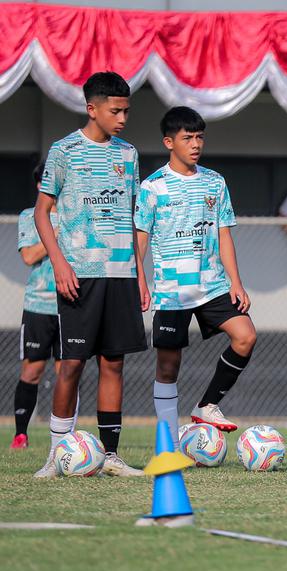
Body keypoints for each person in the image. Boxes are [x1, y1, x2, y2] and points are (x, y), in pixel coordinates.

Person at [32, 71, 146, 478]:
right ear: (91, 108)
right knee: (72, 365)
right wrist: (60, 263)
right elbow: (41, 213)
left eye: (126, 111)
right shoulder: (64, 151)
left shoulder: (128, 154)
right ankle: (56, 453)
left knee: (113, 363)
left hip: (121, 276)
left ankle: (111, 455)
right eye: (115, 110)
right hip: (79, 275)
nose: (122, 118)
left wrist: (141, 277)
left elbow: (134, 218)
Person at [136, 107, 256, 434]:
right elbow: (140, 238)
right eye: (187, 138)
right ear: (168, 142)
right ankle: (168, 441)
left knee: (245, 336)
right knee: (168, 365)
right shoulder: (153, 187)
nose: (195, 144)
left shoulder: (215, 182)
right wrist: (140, 280)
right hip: (172, 291)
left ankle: (206, 406)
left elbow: (224, 234)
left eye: (199, 137)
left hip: (213, 285)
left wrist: (236, 282)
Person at [12, 164, 71, 450]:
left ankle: (63, 436)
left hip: (70, 305)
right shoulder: (29, 217)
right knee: (32, 371)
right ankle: (20, 435)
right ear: (40, 185)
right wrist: (56, 232)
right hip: (39, 306)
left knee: (67, 372)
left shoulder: (77, 215)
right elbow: (29, 256)